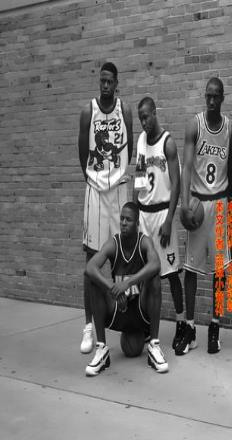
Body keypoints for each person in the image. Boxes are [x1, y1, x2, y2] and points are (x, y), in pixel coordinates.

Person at [78, 62, 133, 354]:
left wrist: (115, 175)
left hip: (119, 188)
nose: (106, 85)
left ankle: (128, 317)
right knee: (92, 258)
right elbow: (82, 153)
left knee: (125, 256)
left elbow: (129, 150)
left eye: (110, 81)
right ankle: (89, 325)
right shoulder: (88, 111)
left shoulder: (126, 110)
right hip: (96, 191)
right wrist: (95, 178)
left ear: (117, 82)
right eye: (102, 81)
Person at [179, 77, 232, 355]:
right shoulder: (195, 125)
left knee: (221, 270)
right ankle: (190, 328)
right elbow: (187, 167)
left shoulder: (230, 128)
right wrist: (184, 204)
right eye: (208, 96)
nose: (211, 100)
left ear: (222, 98)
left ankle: (215, 326)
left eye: (216, 96)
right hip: (199, 203)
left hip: (222, 205)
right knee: (191, 269)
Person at [84, 202, 168, 376]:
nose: (123, 222)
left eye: (128, 220)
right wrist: (113, 289)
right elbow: (90, 267)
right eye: (121, 218)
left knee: (155, 279)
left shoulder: (144, 242)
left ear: (137, 223)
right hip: (118, 309)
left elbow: (155, 264)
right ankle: (101, 350)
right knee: (93, 280)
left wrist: (127, 283)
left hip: (141, 311)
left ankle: (154, 345)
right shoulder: (113, 244)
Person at [133, 97, 184, 351]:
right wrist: (134, 213)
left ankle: (181, 323)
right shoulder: (141, 141)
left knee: (171, 274)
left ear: (155, 113)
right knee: (145, 275)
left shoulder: (168, 143)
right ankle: (145, 323)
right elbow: (139, 178)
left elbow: (177, 184)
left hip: (163, 214)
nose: (143, 122)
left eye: (146, 116)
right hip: (144, 214)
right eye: (140, 118)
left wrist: (169, 219)